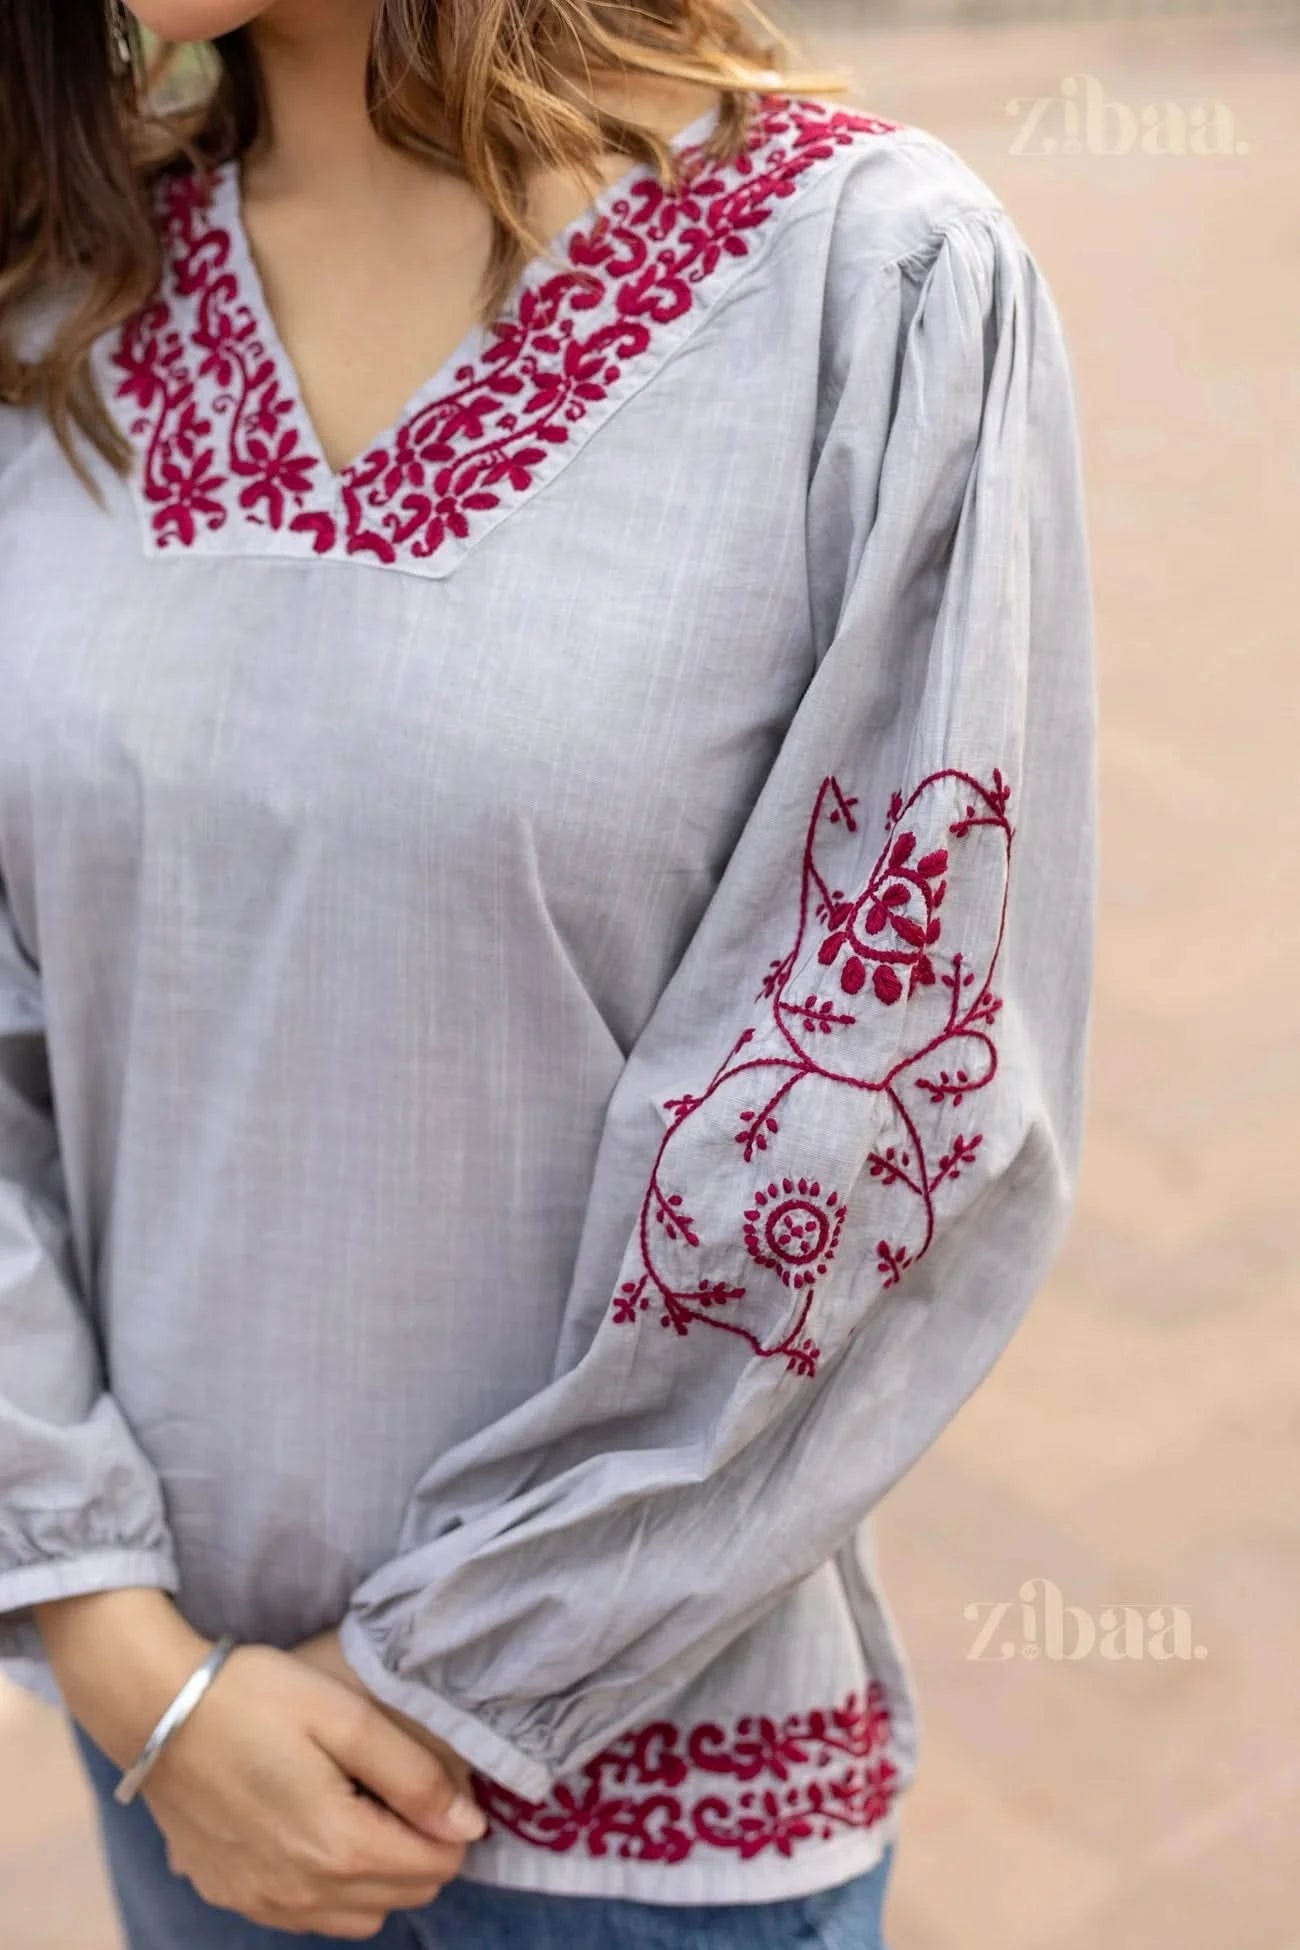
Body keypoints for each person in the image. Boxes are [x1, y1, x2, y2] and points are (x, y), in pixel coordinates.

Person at [0, 0, 1097, 1944]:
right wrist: (122, 1652)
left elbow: (885, 1083)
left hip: (639, 1843)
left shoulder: (873, 290)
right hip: (176, 1783)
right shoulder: (49, 317)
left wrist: (429, 1677)